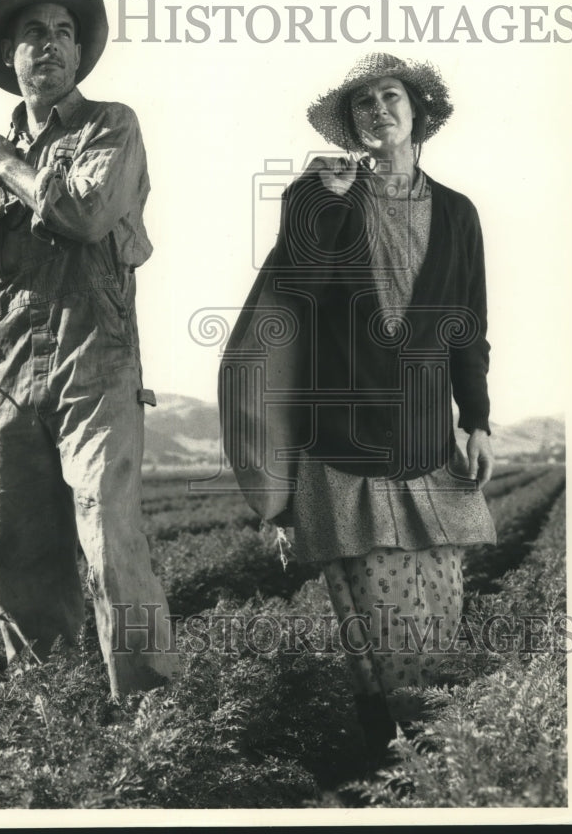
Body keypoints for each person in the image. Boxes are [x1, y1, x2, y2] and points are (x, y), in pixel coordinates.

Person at [220, 52, 496, 766]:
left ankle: (426, 771)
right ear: (350, 128)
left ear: (417, 112)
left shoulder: (460, 213)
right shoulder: (323, 198)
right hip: (344, 447)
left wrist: (480, 418)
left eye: (390, 96)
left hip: (428, 445)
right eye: (362, 105)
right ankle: (401, 769)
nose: (378, 110)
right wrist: (322, 201)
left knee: (437, 624)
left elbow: (469, 326)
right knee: (382, 641)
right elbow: (296, 297)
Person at [0, 0, 178, 699]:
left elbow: (82, 215)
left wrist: (6, 168)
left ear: (78, 55)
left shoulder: (111, 125)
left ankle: (152, 721)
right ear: (9, 59)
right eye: (32, 35)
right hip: (8, 372)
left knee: (111, 539)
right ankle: (49, 719)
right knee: (14, 544)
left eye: (62, 34)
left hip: (95, 363)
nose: (48, 47)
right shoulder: (1, 150)